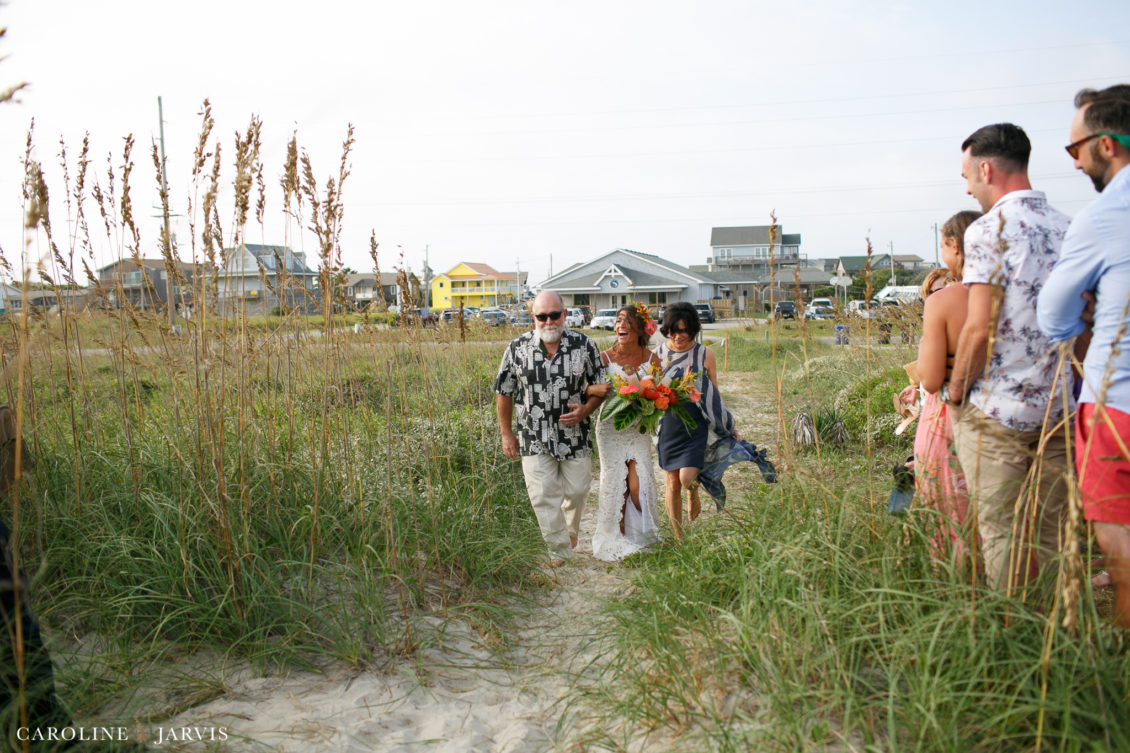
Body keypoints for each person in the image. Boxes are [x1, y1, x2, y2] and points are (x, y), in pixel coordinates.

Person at [947, 123, 1073, 595]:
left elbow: (979, 329)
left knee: (1001, 532)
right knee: (1049, 533)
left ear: (986, 167)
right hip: (1060, 407)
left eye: (967, 175)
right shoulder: (1068, 226)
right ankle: (1048, 635)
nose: (967, 187)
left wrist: (956, 395)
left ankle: (1013, 633)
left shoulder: (989, 229)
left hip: (998, 411)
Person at [1037, 86, 1130, 627]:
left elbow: (1053, 317)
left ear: (1108, 145)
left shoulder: (1102, 216)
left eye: (1075, 150)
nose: (1073, 163)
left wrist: (1088, 321)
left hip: (1116, 401)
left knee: (1118, 538)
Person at [494, 291, 604, 565]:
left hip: (575, 435)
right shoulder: (516, 348)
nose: (548, 321)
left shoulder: (585, 345)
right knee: (543, 495)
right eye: (542, 317)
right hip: (532, 435)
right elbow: (503, 392)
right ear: (533, 318)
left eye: (554, 315)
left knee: (578, 490)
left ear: (564, 314)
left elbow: (601, 386)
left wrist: (586, 410)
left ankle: (569, 531)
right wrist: (506, 433)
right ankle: (558, 551)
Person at [912, 211, 981, 565]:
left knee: (948, 506)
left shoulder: (944, 301)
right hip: (1004, 414)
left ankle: (954, 584)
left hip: (949, 415)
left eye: (944, 247)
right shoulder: (1013, 293)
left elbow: (930, 379)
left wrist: (927, 347)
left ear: (955, 245)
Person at [654, 302, 737, 541]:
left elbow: (714, 393)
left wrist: (730, 424)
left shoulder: (704, 354)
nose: (679, 336)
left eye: (684, 331)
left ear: (693, 330)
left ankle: (693, 491)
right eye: (673, 331)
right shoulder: (658, 354)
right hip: (668, 424)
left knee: (686, 478)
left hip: (695, 423)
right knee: (671, 481)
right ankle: (679, 537)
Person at [586, 304, 663, 561]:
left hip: (639, 428)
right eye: (619, 321)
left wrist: (650, 401)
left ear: (641, 329)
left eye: (629, 322)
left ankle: (641, 534)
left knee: (638, 484)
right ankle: (615, 536)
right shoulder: (604, 358)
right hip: (610, 428)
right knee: (614, 482)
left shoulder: (652, 359)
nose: (622, 326)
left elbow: (660, 393)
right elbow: (586, 388)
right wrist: (593, 391)